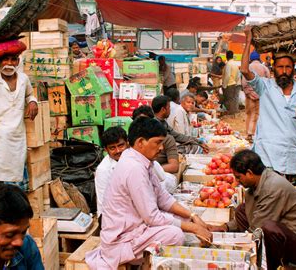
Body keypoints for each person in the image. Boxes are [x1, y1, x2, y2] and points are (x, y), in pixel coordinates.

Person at [85, 117, 212, 269]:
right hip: (122, 240)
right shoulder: (134, 168)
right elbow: (152, 217)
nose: (161, 148)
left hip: (136, 227)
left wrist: (192, 216)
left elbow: (163, 198)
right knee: (175, 234)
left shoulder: (142, 161)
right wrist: (193, 227)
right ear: (140, 142)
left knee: (182, 219)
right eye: (158, 142)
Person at [209, 150, 296, 269]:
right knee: (242, 210)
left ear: (249, 173)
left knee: (268, 228)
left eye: (238, 177)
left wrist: (236, 243)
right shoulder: (257, 185)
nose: (237, 182)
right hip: (285, 231)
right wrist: (225, 227)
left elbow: (258, 228)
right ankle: (255, 255)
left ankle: (269, 264)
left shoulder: (273, 188)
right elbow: (250, 215)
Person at [241, 27, 296, 186]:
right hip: (268, 153)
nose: (284, 71)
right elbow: (244, 69)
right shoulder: (265, 86)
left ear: (293, 69)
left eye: (288, 67)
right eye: (280, 67)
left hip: (291, 153)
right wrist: (248, 42)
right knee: (269, 195)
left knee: (287, 197)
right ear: (273, 68)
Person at [0, 33, 38, 188]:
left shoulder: (23, 79)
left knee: (16, 185)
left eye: (13, 59)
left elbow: (30, 94)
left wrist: (32, 102)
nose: (9, 63)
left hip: (17, 140)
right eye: (4, 59)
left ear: (18, 61)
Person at [132, 106, 179, 176]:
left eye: (146, 122)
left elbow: (174, 166)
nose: (142, 126)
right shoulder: (132, 140)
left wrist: (152, 171)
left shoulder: (167, 139)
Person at [95, 127, 129, 217]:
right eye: (112, 148)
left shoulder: (134, 158)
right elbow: (104, 202)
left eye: (121, 145)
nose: (118, 151)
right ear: (106, 150)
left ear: (128, 143)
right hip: (115, 215)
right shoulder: (103, 170)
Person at [241, 51, 270, 142]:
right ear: (258, 58)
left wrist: (248, 92)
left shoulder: (247, 67)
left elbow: (244, 82)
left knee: (249, 113)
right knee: (257, 114)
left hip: (249, 95)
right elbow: (268, 82)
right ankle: (254, 133)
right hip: (260, 95)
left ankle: (249, 133)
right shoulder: (264, 68)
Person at [222, 50, 240, 116]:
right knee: (234, 99)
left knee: (229, 99)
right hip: (234, 83)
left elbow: (227, 75)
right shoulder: (235, 64)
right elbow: (238, 75)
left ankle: (231, 114)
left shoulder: (228, 64)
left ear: (226, 56)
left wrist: (224, 85)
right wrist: (235, 81)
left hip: (229, 84)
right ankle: (234, 112)